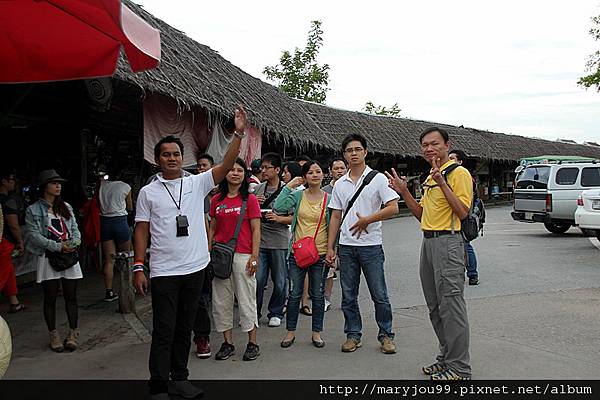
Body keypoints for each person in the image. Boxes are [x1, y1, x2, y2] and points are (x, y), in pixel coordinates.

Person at [133, 106, 247, 399]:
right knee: (163, 330)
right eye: (165, 154)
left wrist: (238, 134)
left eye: (176, 154)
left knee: (186, 327)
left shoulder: (196, 183)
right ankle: (158, 382)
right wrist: (138, 265)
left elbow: (226, 164)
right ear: (157, 160)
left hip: (195, 267)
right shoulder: (149, 192)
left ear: (183, 157)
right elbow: (142, 230)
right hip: (163, 271)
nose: (171, 158)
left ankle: (180, 378)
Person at [386, 127, 472, 380]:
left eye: (434, 144)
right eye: (424, 145)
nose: (429, 149)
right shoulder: (429, 176)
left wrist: (443, 183)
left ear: (447, 145)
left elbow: (463, 211)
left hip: (449, 242)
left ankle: (460, 368)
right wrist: (404, 192)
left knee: (452, 306)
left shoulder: (459, 173)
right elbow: (423, 215)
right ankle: (445, 359)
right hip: (429, 241)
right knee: (435, 307)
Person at [325, 133, 399, 355]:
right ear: (344, 155)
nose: (354, 153)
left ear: (365, 152)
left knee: (380, 294)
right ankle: (353, 335)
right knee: (348, 294)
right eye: (349, 150)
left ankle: (386, 335)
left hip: (371, 246)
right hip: (347, 247)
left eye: (358, 149)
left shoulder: (377, 179)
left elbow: (393, 207)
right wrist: (331, 246)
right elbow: (336, 216)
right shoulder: (340, 183)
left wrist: (368, 219)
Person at [274, 160, 331, 348]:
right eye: (311, 172)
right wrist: (289, 186)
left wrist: (333, 249)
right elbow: (279, 207)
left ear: (323, 175)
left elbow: (333, 227)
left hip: (320, 253)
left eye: (318, 171)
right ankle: (290, 332)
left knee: (318, 294)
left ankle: (316, 333)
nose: (315, 175)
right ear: (305, 176)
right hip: (297, 253)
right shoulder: (298, 196)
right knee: (295, 293)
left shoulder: (329, 199)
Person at [209, 158, 261, 361]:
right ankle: (227, 343)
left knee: (247, 299)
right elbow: (212, 229)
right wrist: (208, 251)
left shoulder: (250, 200)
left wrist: (255, 256)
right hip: (220, 256)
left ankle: (252, 343)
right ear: (225, 173)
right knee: (221, 300)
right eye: (231, 169)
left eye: (240, 170)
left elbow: (257, 229)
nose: (235, 173)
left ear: (245, 175)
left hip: (243, 255)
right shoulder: (217, 200)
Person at [25, 170, 82, 352]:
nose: (58, 186)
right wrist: (57, 246)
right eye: (53, 183)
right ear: (44, 187)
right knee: (50, 296)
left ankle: (73, 332)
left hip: (68, 256)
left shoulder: (66, 206)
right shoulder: (33, 210)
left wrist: (74, 243)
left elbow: (74, 228)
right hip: (49, 255)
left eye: (59, 183)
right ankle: (53, 334)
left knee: (71, 295)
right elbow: (33, 235)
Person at [254, 153, 289, 327]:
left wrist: (280, 219)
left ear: (277, 170)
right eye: (262, 167)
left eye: (267, 167)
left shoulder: (287, 190)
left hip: (280, 240)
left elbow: (295, 217)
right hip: (260, 239)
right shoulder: (257, 189)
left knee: (280, 280)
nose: (263, 170)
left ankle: (276, 312)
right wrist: (255, 202)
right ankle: (254, 312)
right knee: (258, 279)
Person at [192, 152, 215, 359]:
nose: (201, 168)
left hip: (200, 255)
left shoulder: (206, 193)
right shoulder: (153, 190)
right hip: (175, 257)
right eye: (198, 165)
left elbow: (209, 224)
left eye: (204, 165)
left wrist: (208, 246)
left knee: (200, 299)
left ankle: (202, 337)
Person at [98, 171, 133, 301]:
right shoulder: (125, 186)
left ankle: (109, 292)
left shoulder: (101, 185)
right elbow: (130, 207)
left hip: (105, 222)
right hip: (120, 221)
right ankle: (129, 287)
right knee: (126, 257)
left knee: (109, 260)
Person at [449, 150, 479, 286]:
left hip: (463, 217)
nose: (449, 161)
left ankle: (472, 274)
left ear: (460, 161)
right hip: (454, 217)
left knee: (465, 245)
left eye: (452, 158)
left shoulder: (463, 176)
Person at [322, 157, 347, 311]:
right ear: (330, 171)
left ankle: (348, 299)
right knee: (330, 269)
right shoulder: (324, 191)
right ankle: (326, 298)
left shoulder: (353, 187)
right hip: (329, 235)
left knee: (348, 269)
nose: (339, 171)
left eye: (342, 168)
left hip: (348, 235)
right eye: (336, 169)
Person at [0, 169, 26, 313]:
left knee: (8, 270)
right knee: (3, 272)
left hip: (3, 240)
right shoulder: (7, 201)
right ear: (3, 182)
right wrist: (20, 241)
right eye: (11, 179)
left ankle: (14, 302)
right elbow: (13, 225)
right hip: (4, 241)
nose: (14, 182)